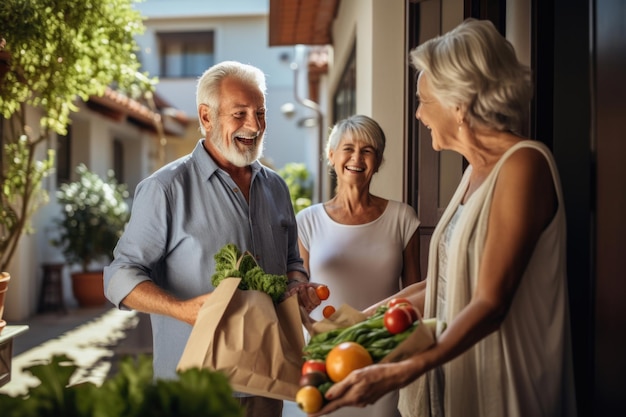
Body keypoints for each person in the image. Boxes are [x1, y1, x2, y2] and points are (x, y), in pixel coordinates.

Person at [308, 19, 577, 417]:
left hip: (507, 380)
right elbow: (447, 280)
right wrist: (360, 322)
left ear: (459, 103)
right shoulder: (472, 172)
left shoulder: (524, 165)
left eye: (423, 100)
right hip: (458, 370)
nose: (418, 114)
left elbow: (491, 301)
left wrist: (402, 371)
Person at [103, 60, 320, 417]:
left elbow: (292, 263)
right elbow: (119, 276)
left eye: (260, 113)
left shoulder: (276, 188)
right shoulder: (166, 189)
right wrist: (181, 310)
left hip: (268, 382)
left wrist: (298, 286)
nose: (254, 125)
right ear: (207, 117)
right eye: (240, 114)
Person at [296, 114, 421, 416]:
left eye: (367, 151)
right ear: (331, 155)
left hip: (383, 352)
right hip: (325, 352)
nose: (356, 158)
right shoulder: (308, 221)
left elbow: (417, 291)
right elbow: (297, 293)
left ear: (378, 162)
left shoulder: (402, 218)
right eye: (347, 148)